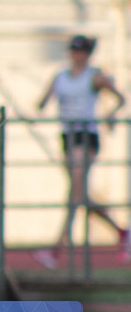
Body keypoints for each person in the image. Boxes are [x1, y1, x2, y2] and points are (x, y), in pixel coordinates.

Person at [33, 34, 128, 268]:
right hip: (67, 137)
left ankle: (57, 248)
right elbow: (41, 103)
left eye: (81, 51)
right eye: (73, 51)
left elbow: (120, 98)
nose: (76, 55)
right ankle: (123, 232)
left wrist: (110, 115)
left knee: (74, 195)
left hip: (86, 137)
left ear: (87, 53)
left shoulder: (94, 76)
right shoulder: (60, 77)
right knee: (80, 194)